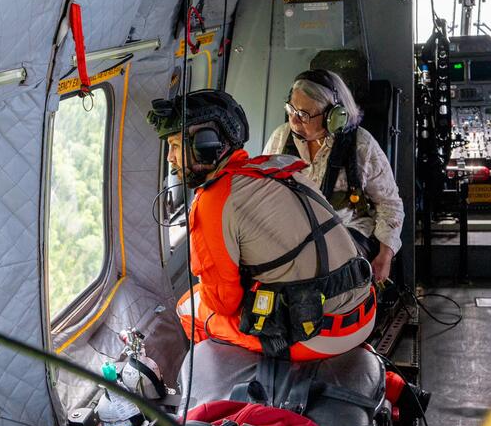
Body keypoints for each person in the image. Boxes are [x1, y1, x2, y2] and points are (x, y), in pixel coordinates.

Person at [147, 89, 377, 371]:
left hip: (323, 333)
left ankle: (235, 401)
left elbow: (222, 303)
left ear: (207, 144)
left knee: (189, 306)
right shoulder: (274, 168)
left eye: (174, 144)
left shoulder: (213, 201)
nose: (170, 157)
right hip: (364, 310)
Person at [263, 69, 404, 284]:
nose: (293, 119)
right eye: (291, 108)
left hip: (345, 231)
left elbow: (389, 204)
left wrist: (385, 256)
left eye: (304, 114)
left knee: (320, 273)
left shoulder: (361, 145)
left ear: (333, 117)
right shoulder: (281, 138)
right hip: (291, 231)